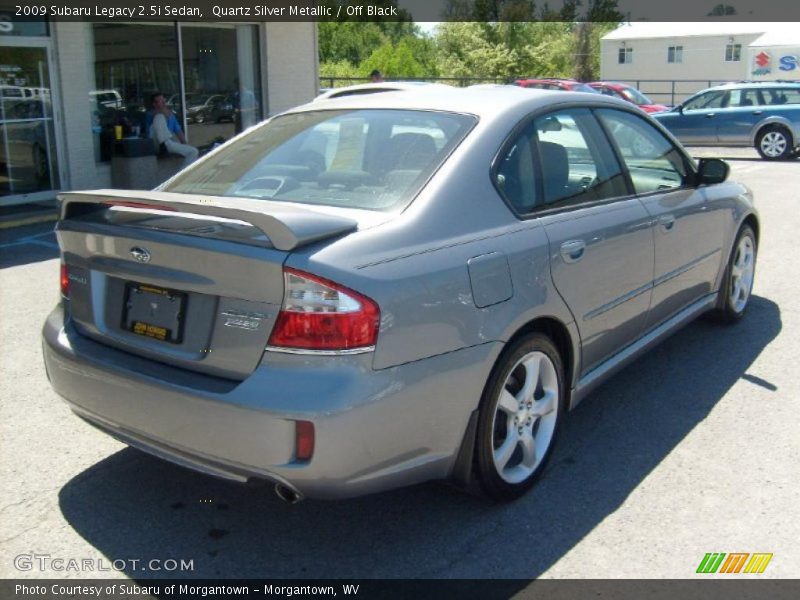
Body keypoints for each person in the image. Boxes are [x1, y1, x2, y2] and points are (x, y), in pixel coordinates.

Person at [146, 92, 198, 168]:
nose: (164, 103)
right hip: (154, 143)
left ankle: (181, 175)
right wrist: (164, 112)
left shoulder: (171, 115)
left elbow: (178, 131)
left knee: (193, 151)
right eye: (161, 101)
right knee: (159, 117)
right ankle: (163, 145)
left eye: (164, 100)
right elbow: (155, 116)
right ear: (154, 104)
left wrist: (184, 146)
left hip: (169, 143)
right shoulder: (150, 114)